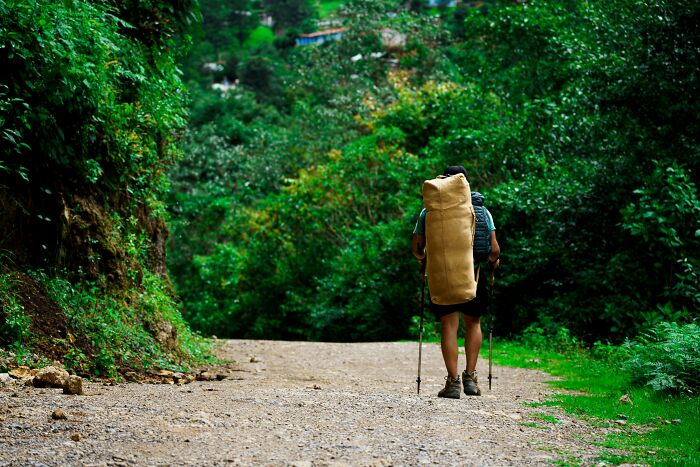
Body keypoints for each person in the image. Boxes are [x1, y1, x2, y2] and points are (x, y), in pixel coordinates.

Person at [411, 165, 500, 399]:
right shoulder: (480, 210)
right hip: (474, 275)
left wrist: (424, 259)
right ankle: (470, 377)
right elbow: (494, 249)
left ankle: (452, 383)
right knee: (473, 323)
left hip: (442, 276)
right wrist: (492, 263)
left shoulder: (428, 210)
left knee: (449, 326)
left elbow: (417, 249)